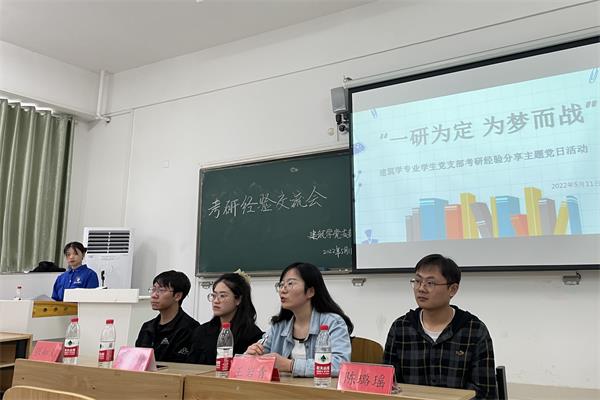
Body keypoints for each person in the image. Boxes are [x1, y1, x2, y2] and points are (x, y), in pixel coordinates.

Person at [383, 254, 497, 399]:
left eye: (430, 283)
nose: (421, 288)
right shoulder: (400, 328)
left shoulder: (474, 330)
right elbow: (389, 385)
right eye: (417, 281)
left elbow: (484, 393)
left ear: (452, 289)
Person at [245, 262, 353, 377]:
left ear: (310, 291)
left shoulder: (333, 322)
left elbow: (340, 365)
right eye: (281, 285)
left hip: (321, 387)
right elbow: (255, 360)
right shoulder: (278, 326)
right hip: (284, 388)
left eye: (290, 283)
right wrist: (249, 356)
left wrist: (290, 365)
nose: (282, 290)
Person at [187, 272, 263, 364]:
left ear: (238, 299)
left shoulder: (252, 335)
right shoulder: (201, 331)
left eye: (222, 296)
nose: (216, 301)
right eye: (214, 295)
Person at [135, 270, 199, 363]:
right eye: (153, 289)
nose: (154, 295)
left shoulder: (191, 329)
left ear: (177, 296)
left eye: (161, 290)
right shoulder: (147, 327)